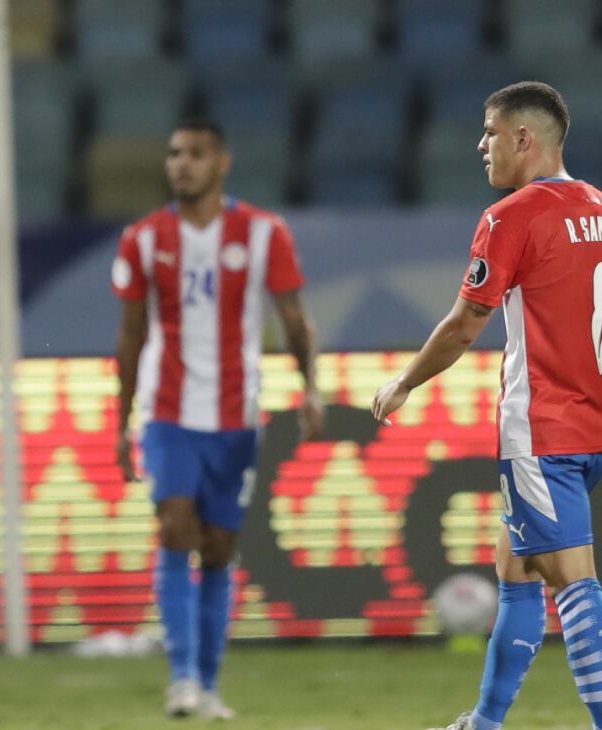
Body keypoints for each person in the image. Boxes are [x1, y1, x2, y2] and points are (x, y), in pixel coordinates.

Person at [372, 82, 602, 730]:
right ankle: (486, 721)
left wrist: (405, 383)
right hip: (593, 427)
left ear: (524, 140)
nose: (481, 145)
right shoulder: (599, 207)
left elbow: (466, 323)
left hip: (545, 430)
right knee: (517, 564)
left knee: (573, 582)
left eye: (491, 132)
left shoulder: (513, 216)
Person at [111, 118, 323, 719]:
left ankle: (206, 684)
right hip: (168, 412)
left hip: (236, 416)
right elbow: (130, 337)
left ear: (222, 162)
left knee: (219, 548)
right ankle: (181, 678)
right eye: (174, 153)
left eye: (195, 154)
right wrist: (121, 422)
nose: (182, 164)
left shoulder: (263, 233)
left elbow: (295, 318)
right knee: (176, 525)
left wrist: (310, 387)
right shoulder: (144, 239)